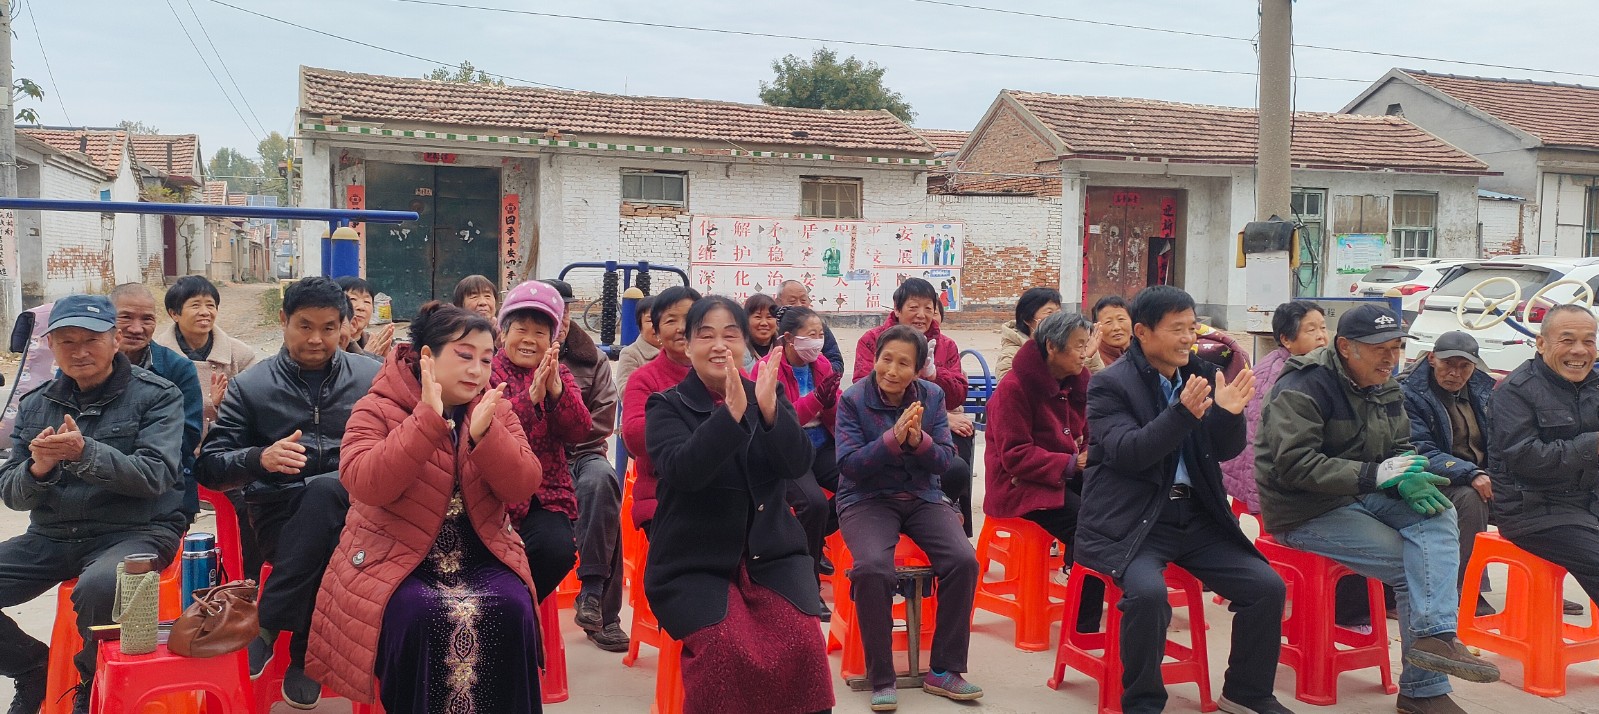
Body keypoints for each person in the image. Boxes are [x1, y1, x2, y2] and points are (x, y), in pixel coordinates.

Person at [1257, 304, 1501, 714]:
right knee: (1413, 565)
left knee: (1440, 512)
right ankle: (1423, 691)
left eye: (1395, 348)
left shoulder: (1385, 384)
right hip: (1305, 508)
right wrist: (1376, 474)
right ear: (1345, 347)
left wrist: (1409, 472)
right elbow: (1294, 465)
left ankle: (1436, 637)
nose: (1390, 358)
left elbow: (1401, 444)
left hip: (1364, 490)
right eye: (1378, 349)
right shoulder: (1304, 385)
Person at [307, 302, 545, 712]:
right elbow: (363, 482)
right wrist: (426, 422)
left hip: (480, 554)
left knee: (513, 606)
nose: (476, 371)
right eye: (464, 355)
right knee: (417, 613)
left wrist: (487, 437)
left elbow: (523, 484)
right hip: (394, 558)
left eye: (486, 360)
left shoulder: (493, 409)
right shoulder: (377, 406)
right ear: (427, 357)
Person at [1077, 285, 1291, 714]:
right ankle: (1143, 703)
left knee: (1267, 587)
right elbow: (1129, 453)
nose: (1187, 338)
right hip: (1134, 519)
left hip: (1194, 516)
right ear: (1142, 332)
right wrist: (1182, 414)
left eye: (1192, 328)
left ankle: (1246, 693)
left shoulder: (1201, 374)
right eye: (1176, 329)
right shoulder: (1109, 385)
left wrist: (1228, 414)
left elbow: (1224, 450)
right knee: (1147, 595)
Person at [198, 276, 382, 708]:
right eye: (305, 326)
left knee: (327, 490)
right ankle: (306, 657)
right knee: (324, 512)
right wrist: (259, 458)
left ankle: (269, 621)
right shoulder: (252, 386)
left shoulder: (372, 378)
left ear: (344, 325)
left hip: (362, 514)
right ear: (283, 320)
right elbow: (210, 466)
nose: (316, 339)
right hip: (279, 516)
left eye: (328, 328)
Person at [643, 297, 831, 714]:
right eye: (705, 335)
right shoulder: (666, 406)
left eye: (730, 334)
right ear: (687, 345)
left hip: (772, 558)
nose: (719, 345)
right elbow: (683, 471)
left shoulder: (766, 393)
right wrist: (730, 415)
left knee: (803, 641)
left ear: (744, 343)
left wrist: (771, 413)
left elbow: (797, 464)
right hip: (693, 565)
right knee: (724, 646)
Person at [0, 295, 187, 714]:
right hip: (52, 535)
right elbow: (11, 494)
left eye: (91, 339)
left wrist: (86, 453)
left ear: (115, 340)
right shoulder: (35, 404)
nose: (80, 351)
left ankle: (90, 684)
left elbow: (155, 476)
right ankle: (32, 668)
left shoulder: (158, 396)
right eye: (67, 341)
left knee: (103, 586)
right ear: (51, 345)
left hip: (135, 531)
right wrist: (38, 467)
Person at [837, 324, 981, 710]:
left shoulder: (932, 397)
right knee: (872, 568)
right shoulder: (852, 400)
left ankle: (945, 669)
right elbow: (849, 466)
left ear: (917, 370)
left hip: (922, 496)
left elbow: (946, 460)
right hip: (866, 499)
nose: (892, 370)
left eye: (904, 364)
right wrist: (891, 440)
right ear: (875, 359)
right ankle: (882, 676)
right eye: (886, 359)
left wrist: (918, 441)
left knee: (963, 561)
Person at [983, 311, 1103, 633]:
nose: (1085, 354)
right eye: (1078, 346)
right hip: (1018, 484)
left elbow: (1088, 432)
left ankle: (1084, 582)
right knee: (1087, 525)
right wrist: (1072, 463)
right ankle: (1082, 625)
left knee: (1111, 507)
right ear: (1052, 346)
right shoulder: (1014, 388)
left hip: (1060, 474)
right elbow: (1015, 455)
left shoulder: (1076, 381)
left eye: (1086, 345)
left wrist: (1090, 455)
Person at [1486, 304, 1599, 610]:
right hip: (1536, 512)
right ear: (1541, 343)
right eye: (1567, 340)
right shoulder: (1514, 391)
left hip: (1589, 502)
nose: (1579, 351)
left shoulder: (1594, 384)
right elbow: (1525, 458)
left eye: (1588, 341)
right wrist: (1592, 445)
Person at [541, 279, 630, 651]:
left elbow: (602, 420)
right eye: (552, 312)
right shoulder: (518, 354)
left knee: (603, 483)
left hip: (583, 453)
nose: (560, 320)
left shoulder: (592, 359)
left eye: (565, 311)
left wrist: (561, 425)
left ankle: (596, 603)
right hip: (534, 457)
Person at [492, 281, 589, 602]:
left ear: (552, 340)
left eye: (540, 333)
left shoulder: (560, 374)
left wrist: (557, 392)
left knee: (557, 551)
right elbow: (487, 432)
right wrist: (529, 399)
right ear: (503, 334)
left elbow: (579, 431)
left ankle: (515, 607)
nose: (529, 340)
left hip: (545, 495)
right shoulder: (488, 372)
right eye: (521, 329)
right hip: (493, 496)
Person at [853, 278, 973, 534]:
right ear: (897, 309)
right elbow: (862, 391)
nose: (922, 315)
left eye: (929, 308)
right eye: (914, 307)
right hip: (884, 426)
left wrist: (934, 374)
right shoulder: (872, 340)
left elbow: (958, 396)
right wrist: (941, 415)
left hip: (931, 427)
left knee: (959, 454)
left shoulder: (946, 345)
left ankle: (946, 511)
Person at [1400, 331, 1500, 617]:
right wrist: (1471, 473)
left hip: (1481, 474)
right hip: (1436, 477)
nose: (1455, 373)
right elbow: (1420, 450)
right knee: (1471, 500)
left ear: (1474, 367)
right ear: (1432, 358)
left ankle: (1540, 588)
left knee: (1538, 497)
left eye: (1464, 366)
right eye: (1448, 364)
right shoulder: (1409, 393)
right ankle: (1466, 588)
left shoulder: (1483, 391)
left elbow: (1501, 441)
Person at [750, 305, 842, 615]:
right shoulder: (767, 368)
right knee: (813, 505)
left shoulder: (822, 364)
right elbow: (783, 422)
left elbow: (834, 415)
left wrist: (830, 402)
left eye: (820, 335)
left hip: (822, 446)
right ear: (789, 338)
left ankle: (806, 536)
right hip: (786, 451)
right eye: (810, 335)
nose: (817, 342)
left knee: (861, 482)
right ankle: (808, 584)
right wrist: (817, 399)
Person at [110, 283, 205, 522]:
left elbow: (185, 437)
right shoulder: (84, 366)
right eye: (125, 317)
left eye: (147, 319)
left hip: (165, 495)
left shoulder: (178, 369)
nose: (136, 328)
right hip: (98, 494)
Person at [1221, 301, 1325, 514]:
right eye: (1311, 330)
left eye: (1323, 327)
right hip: (1262, 486)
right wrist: (1260, 500)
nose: (1321, 336)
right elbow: (1254, 441)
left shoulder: (1312, 366)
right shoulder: (1273, 377)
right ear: (1286, 340)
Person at [621, 285, 701, 534]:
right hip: (661, 491)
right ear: (656, 331)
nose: (681, 327)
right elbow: (634, 437)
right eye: (670, 320)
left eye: (689, 318)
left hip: (724, 490)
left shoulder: (726, 371)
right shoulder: (644, 378)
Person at [155, 274, 257, 427]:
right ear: (174, 314)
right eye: (195, 305)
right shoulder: (156, 356)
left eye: (210, 305)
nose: (205, 312)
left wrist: (223, 404)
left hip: (229, 439)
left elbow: (255, 405)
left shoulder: (241, 355)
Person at [995, 287, 1062, 381]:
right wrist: (1036, 348)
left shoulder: (1061, 346)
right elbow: (1008, 385)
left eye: (1058, 313)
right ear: (1027, 319)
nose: (1057, 318)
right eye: (1049, 313)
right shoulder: (1011, 354)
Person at [778, 280, 844, 372]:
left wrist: (821, 366)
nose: (799, 305)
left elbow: (837, 363)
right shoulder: (772, 329)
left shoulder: (818, 327)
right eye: (792, 301)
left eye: (803, 300)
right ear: (778, 302)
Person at [337, 276, 394, 359]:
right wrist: (367, 357)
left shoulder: (376, 342)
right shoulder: (331, 343)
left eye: (367, 302)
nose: (361, 307)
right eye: (353, 299)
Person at [617, 294, 660, 392]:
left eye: (660, 319)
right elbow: (626, 391)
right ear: (640, 326)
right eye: (649, 320)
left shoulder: (677, 352)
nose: (656, 325)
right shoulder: (631, 354)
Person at [1089, 295, 1132, 373]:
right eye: (1108, 322)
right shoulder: (1092, 357)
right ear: (1096, 327)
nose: (1116, 327)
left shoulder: (1144, 350)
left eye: (1121, 319)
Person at [743, 293, 780, 370]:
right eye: (758, 317)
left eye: (769, 317)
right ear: (746, 319)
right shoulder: (739, 350)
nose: (764, 323)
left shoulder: (784, 348)